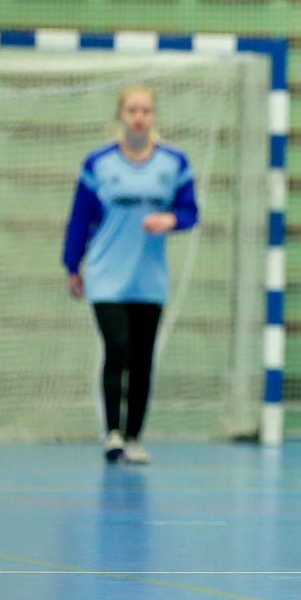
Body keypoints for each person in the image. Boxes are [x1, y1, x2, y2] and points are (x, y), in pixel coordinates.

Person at [62, 84, 199, 465]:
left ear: (154, 116)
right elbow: (80, 219)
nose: (139, 117)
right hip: (106, 277)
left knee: (142, 358)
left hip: (149, 281)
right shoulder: (98, 164)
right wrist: (72, 265)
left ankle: (134, 438)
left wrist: (171, 219)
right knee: (117, 348)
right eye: (132, 110)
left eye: (146, 110)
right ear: (120, 116)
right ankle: (113, 434)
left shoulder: (173, 163)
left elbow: (191, 211)